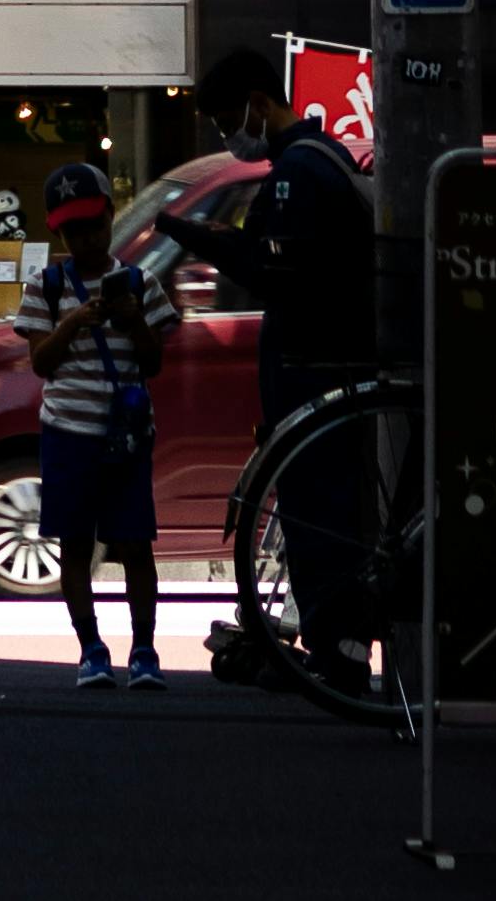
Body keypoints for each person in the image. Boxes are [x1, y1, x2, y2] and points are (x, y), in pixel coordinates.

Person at [158, 93, 376, 677]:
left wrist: (195, 236)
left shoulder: (298, 171)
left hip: (312, 361)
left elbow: (268, 267)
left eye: (230, 122)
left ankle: (338, 651)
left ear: (257, 104)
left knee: (317, 507)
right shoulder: (323, 156)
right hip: (327, 356)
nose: (232, 136)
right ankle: (337, 645)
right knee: (326, 505)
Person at [16, 163, 165, 694]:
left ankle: (145, 651)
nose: (85, 239)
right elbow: (41, 363)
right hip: (67, 434)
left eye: (94, 227)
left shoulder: (141, 282)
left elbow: (153, 363)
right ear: (58, 232)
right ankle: (91, 650)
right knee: (75, 545)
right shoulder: (45, 287)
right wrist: (74, 321)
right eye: (73, 231)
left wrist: (134, 320)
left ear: (109, 216)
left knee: (134, 543)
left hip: (124, 433)